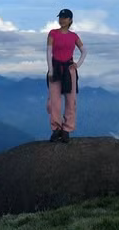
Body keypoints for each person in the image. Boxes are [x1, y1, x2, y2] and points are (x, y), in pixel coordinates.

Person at [46, 7, 85, 142]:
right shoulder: (53, 33)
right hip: (55, 68)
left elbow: (84, 51)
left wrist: (77, 64)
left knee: (70, 101)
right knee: (53, 102)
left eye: (65, 17)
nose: (61, 20)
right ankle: (56, 129)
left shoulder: (74, 36)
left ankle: (67, 129)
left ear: (70, 20)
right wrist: (50, 70)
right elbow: (48, 52)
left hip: (69, 70)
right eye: (60, 17)